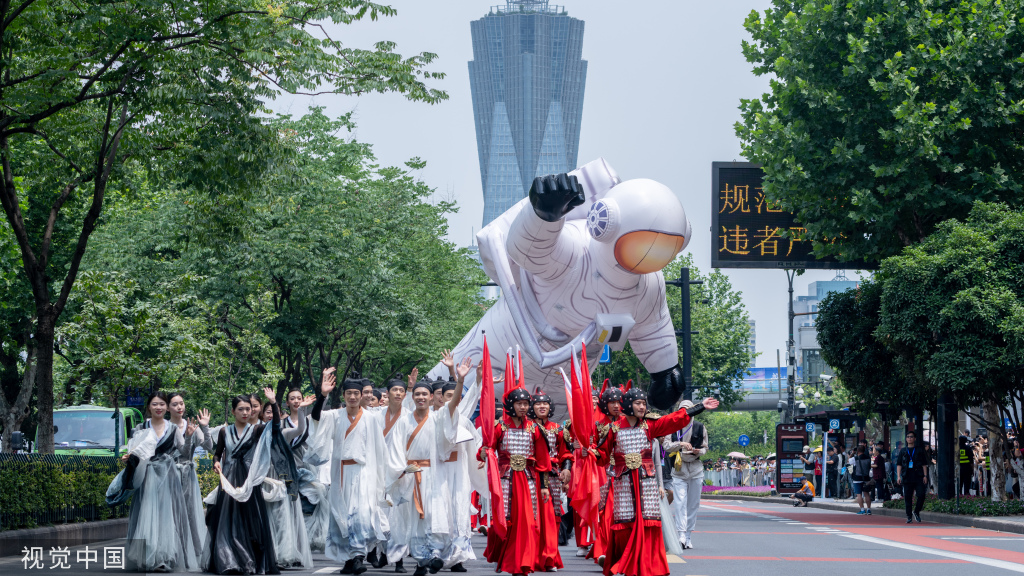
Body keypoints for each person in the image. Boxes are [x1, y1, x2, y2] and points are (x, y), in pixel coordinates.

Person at [599, 388, 720, 576]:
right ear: (628, 404)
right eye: (638, 403)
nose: (642, 406)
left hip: (646, 483)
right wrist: (587, 452)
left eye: (644, 403)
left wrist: (699, 407)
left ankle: (647, 564)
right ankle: (624, 561)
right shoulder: (613, 429)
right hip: (624, 483)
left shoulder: (649, 425)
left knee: (648, 523)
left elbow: (672, 420)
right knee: (625, 523)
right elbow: (602, 455)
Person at [386, 358, 470, 576]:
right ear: (412, 398)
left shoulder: (438, 417)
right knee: (414, 519)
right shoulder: (404, 421)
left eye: (425, 394)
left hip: (434, 475)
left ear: (432, 397)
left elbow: (454, 404)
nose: (421, 397)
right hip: (410, 476)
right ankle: (422, 560)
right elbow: (395, 449)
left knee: (434, 515)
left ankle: (433, 553)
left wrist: (459, 380)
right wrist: (400, 470)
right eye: (417, 394)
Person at [105, 391, 200, 572]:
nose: (159, 407)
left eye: (162, 404)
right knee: (146, 514)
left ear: (167, 407)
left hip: (168, 476)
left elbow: (185, 453)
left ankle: (164, 557)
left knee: (166, 516)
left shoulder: (173, 428)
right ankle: (147, 556)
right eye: (155, 404)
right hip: (147, 475)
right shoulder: (141, 428)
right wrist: (128, 458)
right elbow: (133, 451)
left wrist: (188, 437)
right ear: (149, 406)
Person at [307, 370, 389, 575]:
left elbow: (379, 449)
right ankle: (348, 558)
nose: (352, 397)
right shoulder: (335, 416)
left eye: (356, 393)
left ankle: (359, 556)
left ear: (362, 395)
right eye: (348, 393)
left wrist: (380, 478)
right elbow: (316, 417)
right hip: (341, 472)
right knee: (341, 515)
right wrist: (323, 395)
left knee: (360, 515)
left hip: (363, 473)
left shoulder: (371, 419)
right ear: (344, 396)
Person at [203, 390, 281, 574]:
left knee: (250, 521)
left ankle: (248, 560)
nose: (246, 412)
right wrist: (216, 462)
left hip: (248, 480)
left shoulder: (257, 430)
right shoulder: (224, 431)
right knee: (227, 522)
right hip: (229, 480)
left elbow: (276, 426)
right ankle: (228, 560)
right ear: (233, 412)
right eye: (241, 409)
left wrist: (273, 402)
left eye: (248, 409)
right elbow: (218, 452)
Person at [479, 386, 552, 576]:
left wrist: (544, 486)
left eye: (526, 404)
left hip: (528, 480)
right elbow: (486, 450)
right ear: (511, 405)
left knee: (528, 522)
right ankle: (509, 559)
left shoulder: (535, 428)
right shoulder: (500, 426)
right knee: (507, 521)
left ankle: (524, 561)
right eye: (519, 403)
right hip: (505, 479)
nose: (523, 407)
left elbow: (543, 460)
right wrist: (483, 452)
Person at [167, 392, 213, 557]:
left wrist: (205, 427)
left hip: (187, 475)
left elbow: (208, 446)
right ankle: (172, 552)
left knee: (190, 513)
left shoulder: (192, 425)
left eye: (181, 403)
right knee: (170, 513)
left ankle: (192, 553)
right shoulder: (165, 427)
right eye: (174, 404)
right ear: (167, 407)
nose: (179, 407)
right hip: (168, 475)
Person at [528, 392, 566, 572]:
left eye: (545, 404)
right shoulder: (526, 428)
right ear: (531, 407)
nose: (542, 406)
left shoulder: (558, 429)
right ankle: (529, 556)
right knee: (531, 518)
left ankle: (550, 557)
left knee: (552, 518)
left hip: (551, 477)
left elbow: (565, 453)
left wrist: (566, 469)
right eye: (537, 404)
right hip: (529, 476)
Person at [663, 399, 707, 550]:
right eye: (682, 409)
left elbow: (705, 448)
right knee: (680, 503)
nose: (686, 412)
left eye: (689, 409)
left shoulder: (700, 427)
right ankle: (681, 535)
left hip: (696, 468)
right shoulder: (672, 427)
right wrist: (680, 444)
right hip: (679, 469)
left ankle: (688, 535)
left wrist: (698, 451)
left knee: (693, 504)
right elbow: (667, 446)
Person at [896, 430, 928, 523]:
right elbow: (899, 464)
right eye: (908, 437)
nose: (909, 438)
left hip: (918, 476)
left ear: (915, 439)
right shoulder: (903, 451)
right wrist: (898, 476)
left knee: (921, 494)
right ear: (906, 439)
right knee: (908, 497)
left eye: (911, 437)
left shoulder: (919, 450)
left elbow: (924, 464)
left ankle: (916, 511)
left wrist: (925, 475)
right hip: (907, 476)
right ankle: (909, 516)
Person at [851, 445, 872, 515]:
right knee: (867, 494)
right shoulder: (868, 458)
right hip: (866, 478)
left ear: (857, 451)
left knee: (859, 494)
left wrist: (852, 453)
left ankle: (862, 509)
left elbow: (849, 462)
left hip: (857, 478)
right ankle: (868, 509)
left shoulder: (855, 458)